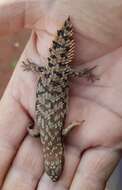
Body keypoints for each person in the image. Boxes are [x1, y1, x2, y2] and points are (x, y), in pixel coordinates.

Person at [0, 1, 122, 189]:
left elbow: (70, 127)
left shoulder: (59, 136)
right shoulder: (41, 136)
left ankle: (70, 51)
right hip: (48, 75)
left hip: (56, 79)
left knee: (64, 70)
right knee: (56, 70)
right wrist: (30, 127)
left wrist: (76, 124)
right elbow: (33, 131)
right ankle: (43, 63)